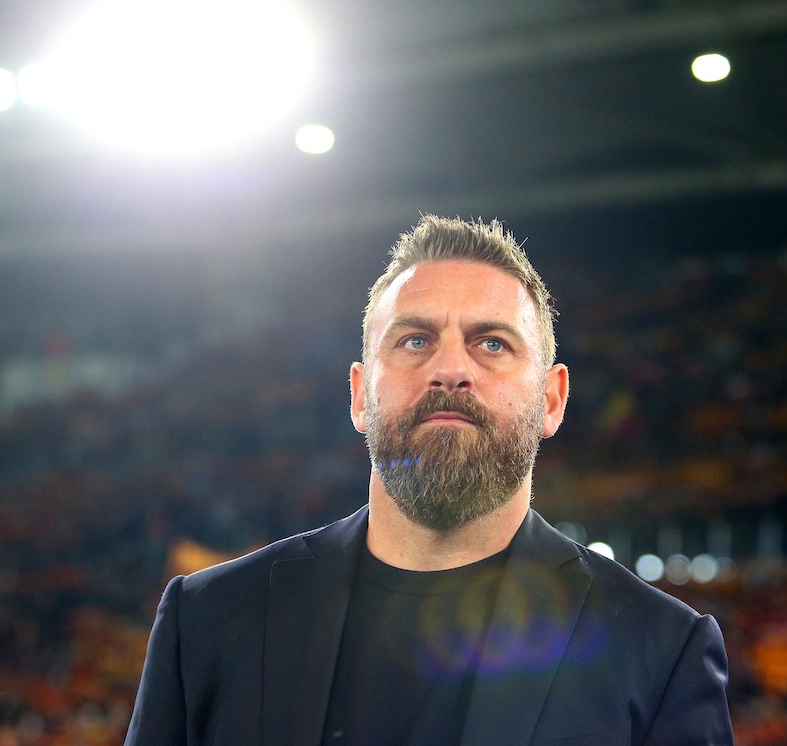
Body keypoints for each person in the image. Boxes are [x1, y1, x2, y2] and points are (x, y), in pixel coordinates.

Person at [124, 215, 733, 745]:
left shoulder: (662, 650)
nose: (449, 369)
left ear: (552, 401)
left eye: (491, 343)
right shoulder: (207, 620)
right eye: (415, 340)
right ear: (362, 395)